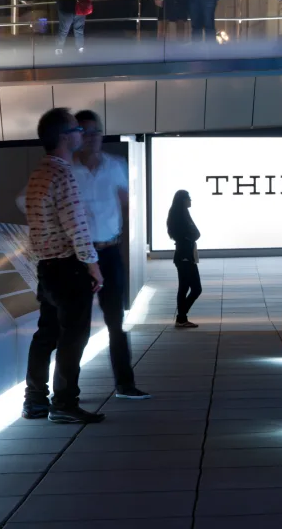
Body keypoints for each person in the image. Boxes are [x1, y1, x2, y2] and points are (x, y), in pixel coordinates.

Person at [21, 108, 106, 424]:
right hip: (69, 268)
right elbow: (76, 226)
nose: (81, 135)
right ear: (63, 136)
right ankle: (65, 403)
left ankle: (35, 401)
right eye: (76, 130)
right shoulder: (62, 173)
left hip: (47, 267)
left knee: (46, 335)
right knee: (73, 337)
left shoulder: (38, 174)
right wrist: (93, 267)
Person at [72, 110, 150, 400]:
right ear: (76, 136)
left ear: (102, 135)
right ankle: (69, 393)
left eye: (95, 132)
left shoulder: (116, 166)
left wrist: (123, 246)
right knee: (76, 326)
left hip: (108, 251)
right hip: (77, 255)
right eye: (84, 131)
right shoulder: (67, 169)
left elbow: (126, 205)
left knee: (116, 321)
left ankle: (125, 383)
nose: (91, 137)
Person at [167, 190, 202, 328]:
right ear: (183, 200)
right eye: (189, 198)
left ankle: (181, 317)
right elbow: (189, 234)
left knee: (185, 287)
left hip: (185, 255)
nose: (190, 201)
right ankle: (181, 316)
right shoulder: (180, 216)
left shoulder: (181, 214)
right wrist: (190, 236)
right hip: (185, 256)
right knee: (194, 288)